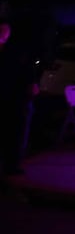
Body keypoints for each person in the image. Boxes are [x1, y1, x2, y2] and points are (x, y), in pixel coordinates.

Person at [0, 20, 39, 177]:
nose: (3, 34)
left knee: (17, 131)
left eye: (5, 31)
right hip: (11, 96)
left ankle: (12, 164)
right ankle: (10, 164)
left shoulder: (16, 51)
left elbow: (27, 69)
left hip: (17, 97)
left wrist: (32, 83)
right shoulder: (14, 51)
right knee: (14, 131)